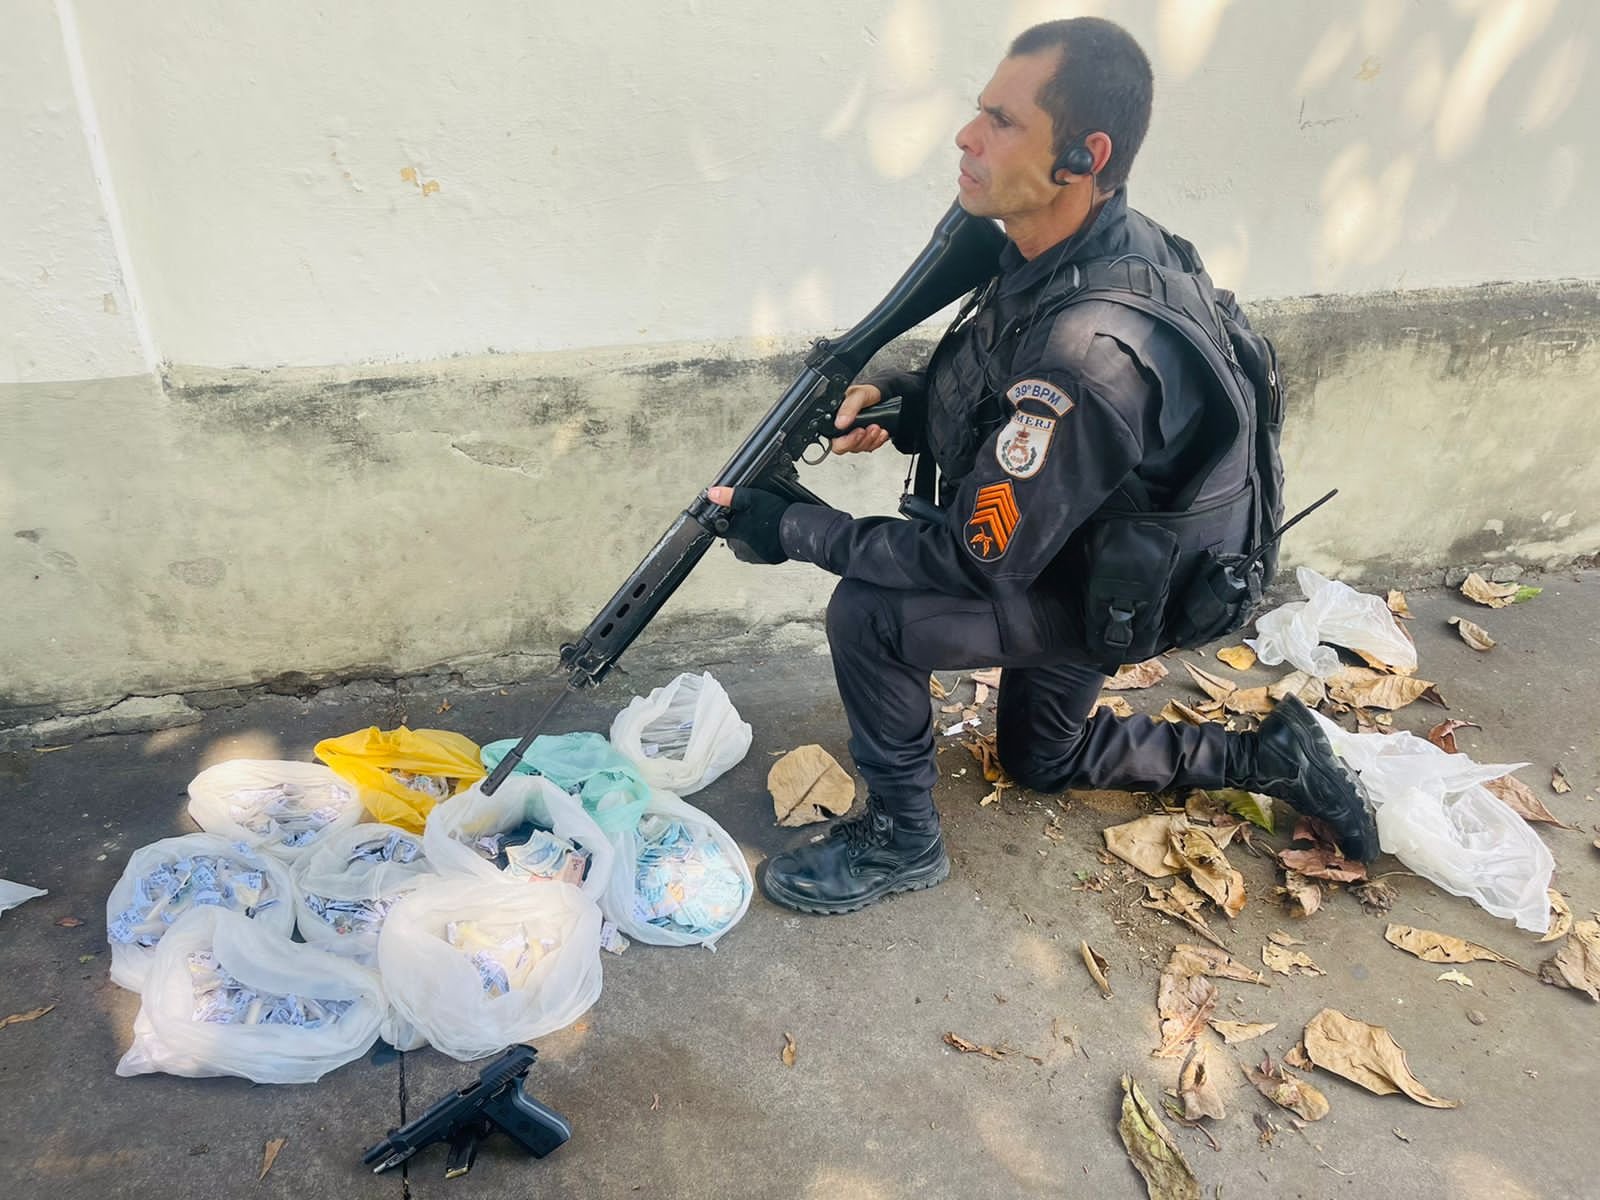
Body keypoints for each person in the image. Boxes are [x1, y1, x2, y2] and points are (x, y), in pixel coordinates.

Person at [706, 17, 1377, 916]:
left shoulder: (1091, 352)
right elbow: (1010, 392)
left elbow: (972, 559)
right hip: (1095, 549)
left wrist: (792, 526)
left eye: (1002, 121)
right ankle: (1267, 755)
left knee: (868, 612)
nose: (967, 136)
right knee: (1038, 761)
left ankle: (902, 842)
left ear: (1082, 156)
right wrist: (907, 406)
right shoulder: (1091, 245)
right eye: (977, 111)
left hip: (1104, 587)